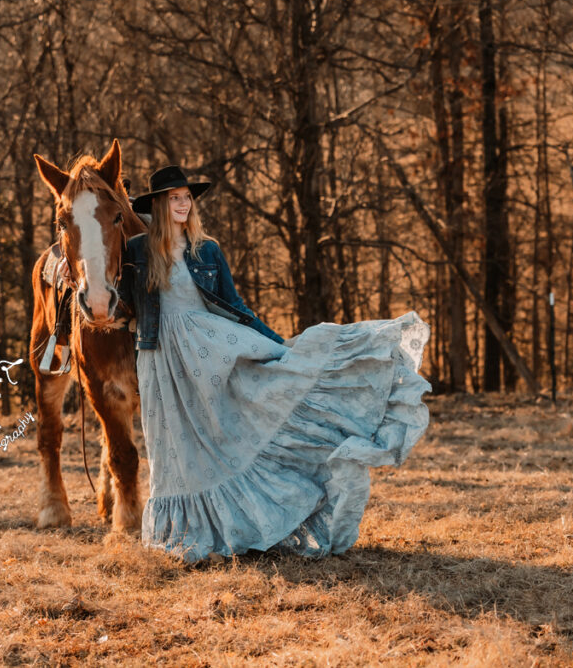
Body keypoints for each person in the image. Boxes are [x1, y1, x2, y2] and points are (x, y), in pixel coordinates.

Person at [118, 164, 432, 564]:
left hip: (212, 349)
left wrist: (279, 345)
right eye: (173, 199)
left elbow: (235, 305)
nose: (182, 204)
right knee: (173, 448)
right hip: (161, 357)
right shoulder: (139, 250)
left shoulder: (206, 249)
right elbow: (111, 290)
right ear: (159, 205)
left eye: (186, 198)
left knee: (228, 435)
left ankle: (242, 527)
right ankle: (185, 536)